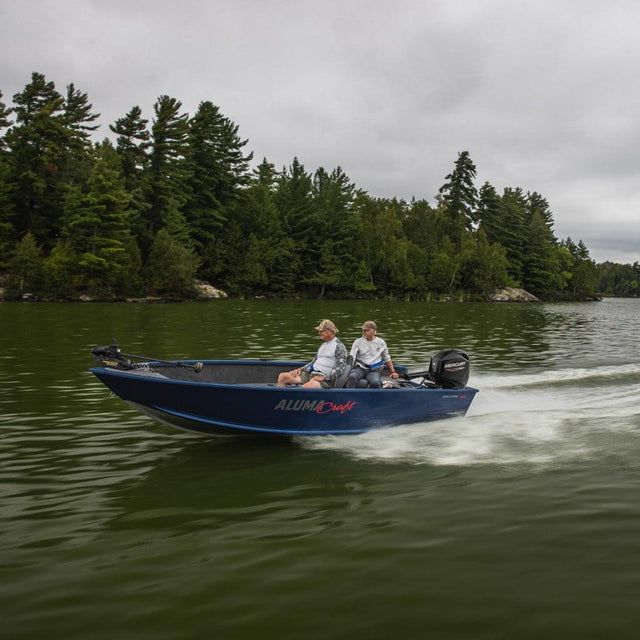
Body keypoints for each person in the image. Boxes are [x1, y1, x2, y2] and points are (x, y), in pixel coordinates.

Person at [277, 319, 347, 389]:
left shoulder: (339, 346)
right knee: (282, 377)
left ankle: (294, 397)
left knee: (308, 386)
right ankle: (279, 399)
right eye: (319, 331)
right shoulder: (323, 345)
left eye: (322, 331)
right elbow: (313, 362)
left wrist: (324, 377)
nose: (319, 333)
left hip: (325, 380)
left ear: (330, 331)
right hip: (310, 374)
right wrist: (300, 369)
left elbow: (341, 368)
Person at [347, 320, 399, 389]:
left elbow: (386, 358)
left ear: (373, 331)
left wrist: (393, 371)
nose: (363, 332)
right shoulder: (357, 342)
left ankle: (376, 398)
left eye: (366, 330)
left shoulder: (381, 342)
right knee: (352, 377)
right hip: (360, 369)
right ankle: (349, 398)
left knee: (375, 382)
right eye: (363, 330)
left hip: (374, 370)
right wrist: (346, 372)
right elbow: (352, 358)